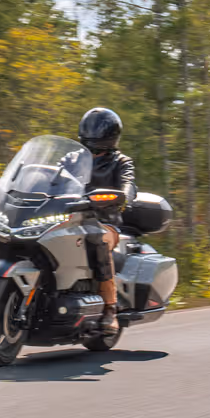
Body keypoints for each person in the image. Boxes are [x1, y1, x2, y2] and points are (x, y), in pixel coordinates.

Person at [76, 107, 136, 336]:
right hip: (69, 220)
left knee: (97, 239)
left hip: (105, 223)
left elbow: (127, 185)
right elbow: (51, 178)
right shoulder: (72, 158)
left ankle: (110, 308)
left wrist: (122, 196)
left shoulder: (121, 162)